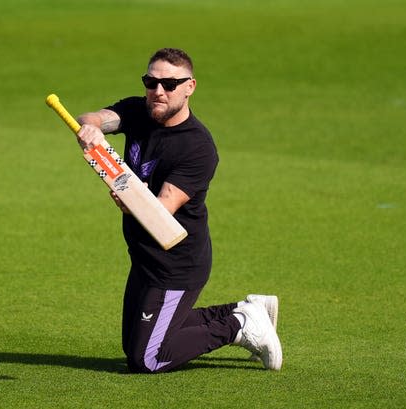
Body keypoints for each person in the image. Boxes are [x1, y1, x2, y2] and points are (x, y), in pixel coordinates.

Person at [75, 48, 282, 373]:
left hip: (176, 264)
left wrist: (131, 202)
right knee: (133, 344)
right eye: (151, 82)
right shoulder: (138, 110)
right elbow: (92, 118)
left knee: (147, 358)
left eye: (170, 84)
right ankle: (246, 309)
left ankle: (238, 326)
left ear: (190, 87)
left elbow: (161, 211)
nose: (158, 91)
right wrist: (91, 128)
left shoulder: (197, 147)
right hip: (144, 257)